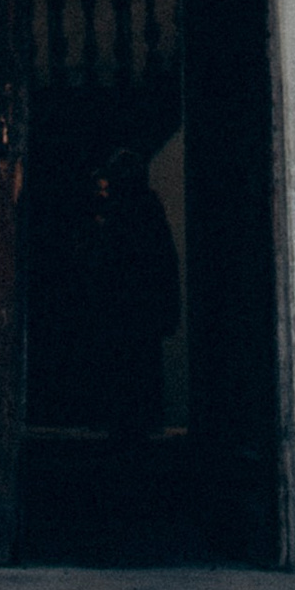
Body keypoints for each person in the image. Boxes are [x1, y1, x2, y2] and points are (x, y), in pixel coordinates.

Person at [86, 141, 180, 439]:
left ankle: (121, 421)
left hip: (122, 308)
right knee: (141, 369)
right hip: (142, 309)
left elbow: (105, 265)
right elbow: (166, 264)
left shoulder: (118, 215)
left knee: (121, 368)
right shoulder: (149, 212)